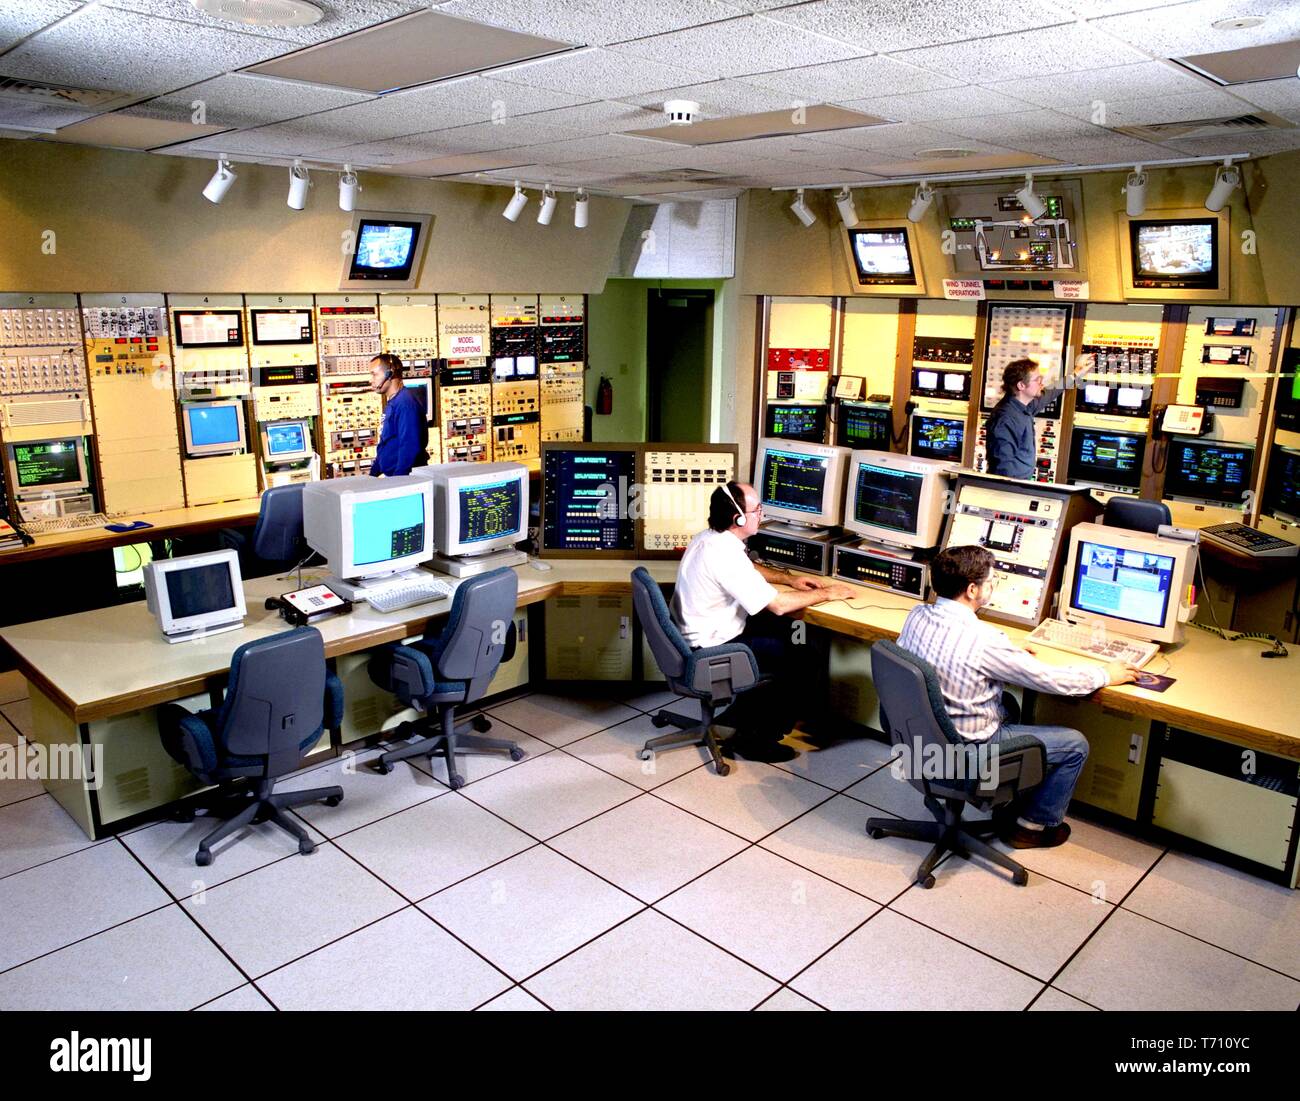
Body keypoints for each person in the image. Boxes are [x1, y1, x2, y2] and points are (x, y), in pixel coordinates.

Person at [897, 545, 1139, 848]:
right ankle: (1032, 827)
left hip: (919, 741)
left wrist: (1007, 654)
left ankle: (1002, 793)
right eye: (991, 580)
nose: (993, 585)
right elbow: (1050, 679)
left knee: (1008, 704)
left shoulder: (917, 615)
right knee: (1075, 745)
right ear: (973, 590)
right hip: (964, 750)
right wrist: (1105, 674)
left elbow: (953, 655)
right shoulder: (984, 642)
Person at [671, 481, 855, 762]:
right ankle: (757, 740)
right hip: (711, 648)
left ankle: (743, 715)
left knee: (789, 633)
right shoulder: (723, 553)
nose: (762, 515)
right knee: (804, 658)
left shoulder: (710, 538)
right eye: (757, 510)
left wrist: (788, 579)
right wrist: (829, 593)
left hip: (697, 637)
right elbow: (780, 606)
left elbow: (747, 568)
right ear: (739, 518)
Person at [984, 357, 1065, 479]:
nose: (1041, 383)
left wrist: (1075, 375)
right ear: (1021, 385)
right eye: (1038, 380)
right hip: (1010, 489)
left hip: (1020, 484)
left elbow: (1050, 393)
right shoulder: (1005, 418)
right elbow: (1003, 468)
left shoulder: (1025, 406)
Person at [368, 353, 428, 477]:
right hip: (393, 477)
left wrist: (398, 481)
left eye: (374, 374)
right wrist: (371, 476)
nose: (370, 380)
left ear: (389, 374)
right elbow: (386, 443)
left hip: (404, 479)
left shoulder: (405, 404)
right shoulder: (393, 402)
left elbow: (409, 447)